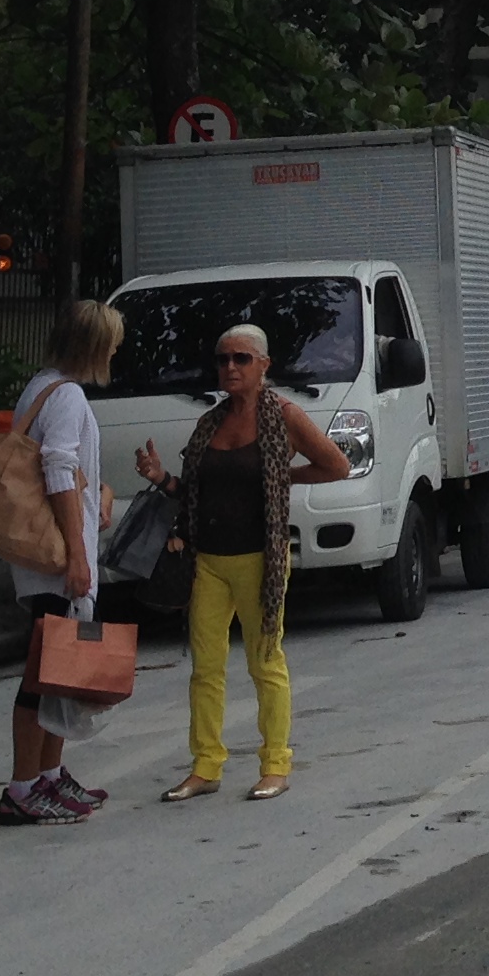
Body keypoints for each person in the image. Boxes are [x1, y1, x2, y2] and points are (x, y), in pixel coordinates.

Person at [134, 321, 351, 802]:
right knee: (205, 669)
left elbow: (337, 465)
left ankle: (275, 764)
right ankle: (206, 766)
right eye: (223, 359)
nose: (230, 367)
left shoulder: (284, 416)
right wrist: (160, 477)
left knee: (265, 663)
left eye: (241, 359)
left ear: (264, 366)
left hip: (260, 561)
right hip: (208, 561)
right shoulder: (210, 423)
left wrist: (285, 477)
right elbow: (193, 492)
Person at [2, 300, 126, 827]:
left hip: (53, 555)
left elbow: (66, 468)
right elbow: (57, 467)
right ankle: (23, 787)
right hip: (56, 559)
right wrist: (78, 556)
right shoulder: (68, 395)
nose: (115, 352)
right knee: (42, 675)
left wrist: (99, 491)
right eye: (112, 343)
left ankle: (48, 775)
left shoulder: (45, 386)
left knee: (59, 672)